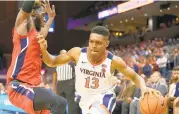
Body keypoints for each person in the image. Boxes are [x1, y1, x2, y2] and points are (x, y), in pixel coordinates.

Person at [39, 26, 157, 114]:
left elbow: (135, 77)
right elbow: (52, 62)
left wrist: (144, 87)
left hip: (104, 97)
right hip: (85, 100)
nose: (94, 45)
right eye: (91, 41)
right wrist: (44, 51)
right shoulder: (77, 53)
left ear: (107, 43)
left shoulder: (114, 61)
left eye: (98, 43)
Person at [6, 1, 67, 114]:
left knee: (61, 104)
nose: (45, 19)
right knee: (59, 102)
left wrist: (51, 18)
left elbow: (44, 31)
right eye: (43, 15)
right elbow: (25, 8)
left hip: (32, 87)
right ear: (33, 13)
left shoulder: (36, 35)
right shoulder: (23, 27)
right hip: (18, 86)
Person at [53, 50, 80, 114]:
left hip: (69, 84)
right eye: (62, 54)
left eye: (65, 54)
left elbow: (77, 73)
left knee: (71, 103)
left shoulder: (71, 63)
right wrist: (54, 86)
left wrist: (76, 84)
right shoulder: (57, 63)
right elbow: (55, 75)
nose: (63, 55)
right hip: (59, 84)